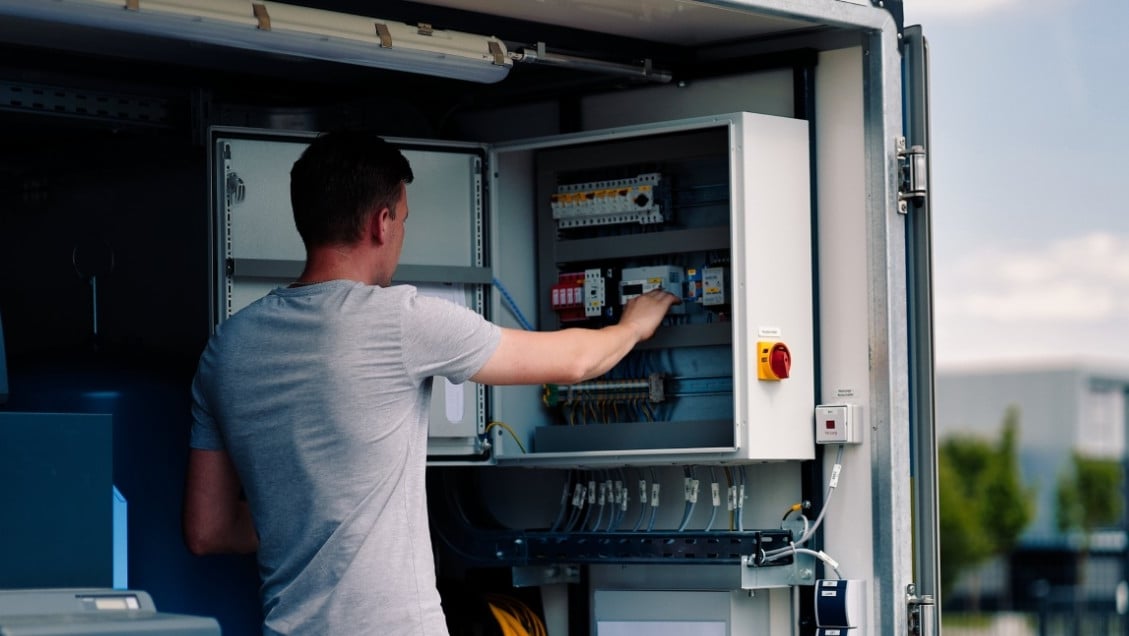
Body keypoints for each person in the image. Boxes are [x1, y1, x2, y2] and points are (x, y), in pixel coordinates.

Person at [182, 131, 678, 635]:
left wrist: (303, 523)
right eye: (403, 219)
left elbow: (208, 530)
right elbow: (575, 362)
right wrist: (633, 325)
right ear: (382, 223)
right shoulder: (400, 321)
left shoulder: (228, 348)